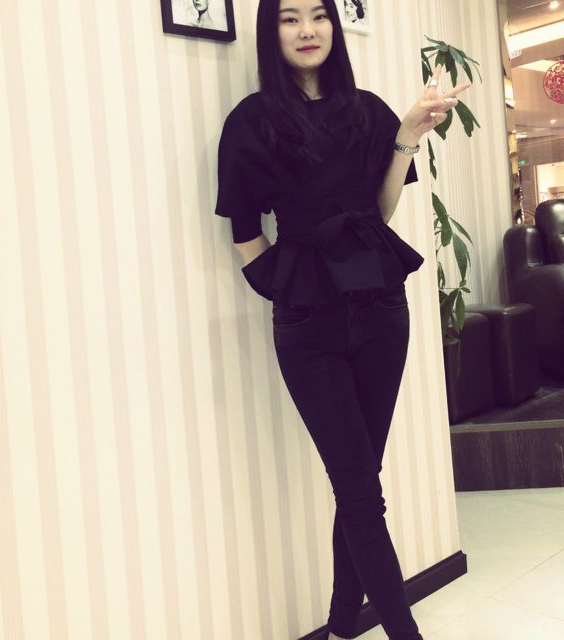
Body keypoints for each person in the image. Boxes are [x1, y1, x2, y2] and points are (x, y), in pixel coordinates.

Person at [214, 0, 471, 638]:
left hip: (382, 310)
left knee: (360, 488)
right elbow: (244, 229)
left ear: (334, 24)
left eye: (319, 15)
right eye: (289, 17)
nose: (307, 30)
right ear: (270, 31)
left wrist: (406, 136)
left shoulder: (367, 111)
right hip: (310, 327)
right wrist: (281, 288)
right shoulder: (251, 121)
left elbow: (378, 214)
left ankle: (338, 625)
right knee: (360, 492)